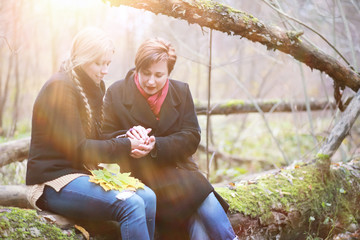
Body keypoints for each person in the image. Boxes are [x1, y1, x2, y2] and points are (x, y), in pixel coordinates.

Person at [25, 28, 156, 240]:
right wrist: (125, 146)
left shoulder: (93, 86)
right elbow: (80, 149)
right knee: (131, 204)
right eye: (98, 63)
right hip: (51, 182)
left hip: (81, 175)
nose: (104, 70)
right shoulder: (60, 88)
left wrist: (129, 138)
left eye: (108, 63)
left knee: (148, 197)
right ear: (81, 59)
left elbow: (96, 138)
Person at [102, 38, 237, 240]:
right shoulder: (117, 92)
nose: (151, 81)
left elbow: (192, 136)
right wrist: (129, 140)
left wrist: (157, 145)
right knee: (197, 203)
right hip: (142, 178)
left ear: (169, 73)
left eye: (159, 75)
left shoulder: (181, 91)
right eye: (146, 73)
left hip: (181, 171)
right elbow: (104, 137)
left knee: (201, 199)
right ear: (137, 67)